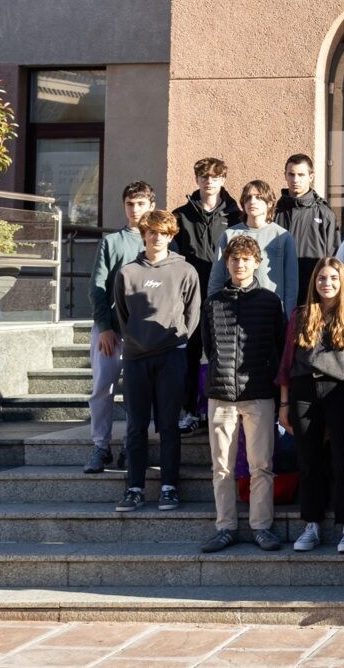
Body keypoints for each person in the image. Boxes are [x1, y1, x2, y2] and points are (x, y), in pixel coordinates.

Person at [199, 235, 288, 554]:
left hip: (259, 392)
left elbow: (279, 347)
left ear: (257, 263)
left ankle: (261, 527)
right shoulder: (213, 302)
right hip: (221, 393)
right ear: (227, 262)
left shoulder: (269, 301)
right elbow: (208, 346)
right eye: (234, 259)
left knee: (261, 464)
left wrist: (279, 394)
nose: (240, 264)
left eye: (246, 259)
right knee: (221, 465)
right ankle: (225, 527)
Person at [112, 210, 201, 514]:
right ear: (143, 234)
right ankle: (134, 488)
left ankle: (169, 487)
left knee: (168, 425)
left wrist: (178, 338)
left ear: (171, 235)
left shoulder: (185, 270)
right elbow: (122, 315)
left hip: (171, 355)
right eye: (151, 232)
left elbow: (193, 313)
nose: (156, 237)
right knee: (136, 425)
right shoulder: (127, 273)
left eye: (162, 232)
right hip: (136, 357)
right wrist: (136, 339)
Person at [278, 257, 344, 556]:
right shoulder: (300, 315)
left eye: (333, 279)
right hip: (303, 390)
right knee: (309, 461)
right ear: (314, 282)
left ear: (342, 283)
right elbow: (287, 362)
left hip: (340, 392)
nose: (327, 283)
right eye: (322, 278)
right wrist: (284, 402)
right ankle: (310, 523)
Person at [85, 181, 156, 475]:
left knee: (139, 392)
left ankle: (132, 444)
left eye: (140, 203)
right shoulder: (112, 242)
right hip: (112, 331)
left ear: (151, 205)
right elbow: (97, 287)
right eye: (130, 203)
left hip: (145, 332)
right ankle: (101, 446)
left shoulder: (159, 241)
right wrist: (104, 327)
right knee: (103, 388)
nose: (135, 209)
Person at [172, 157, 241, 434]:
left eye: (214, 176)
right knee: (190, 353)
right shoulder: (180, 215)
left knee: (221, 354)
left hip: (226, 295)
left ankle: (219, 410)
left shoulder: (235, 215)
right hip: (190, 296)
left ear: (223, 179)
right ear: (196, 179)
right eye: (203, 175)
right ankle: (189, 411)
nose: (209, 180)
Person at [209, 180, 299, 313]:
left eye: (258, 197)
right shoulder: (229, 235)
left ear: (269, 203)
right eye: (248, 197)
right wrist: (213, 310)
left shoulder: (282, 237)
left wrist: (288, 316)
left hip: (270, 311)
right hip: (233, 309)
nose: (252, 201)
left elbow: (291, 284)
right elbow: (217, 277)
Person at [275, 154, 340, 305]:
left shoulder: (324, 214)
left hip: (313, 295)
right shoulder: (274, 212)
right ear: (285, 175)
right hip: (278, 292)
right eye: (291, 174)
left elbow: (334, 258)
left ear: (311, 177)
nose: (295, 180)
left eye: (301, 175)